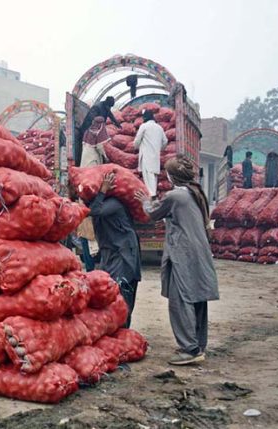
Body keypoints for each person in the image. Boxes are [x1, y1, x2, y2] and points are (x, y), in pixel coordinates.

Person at [135, 155, 219, 366]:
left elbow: (153, 213)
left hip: (183, 253)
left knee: (180, 300)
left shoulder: (175, 196)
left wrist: (145, 201)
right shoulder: (195, 192)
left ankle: (189, 349)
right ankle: (198, 344)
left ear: (172, 176)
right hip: (199, 252)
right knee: (197, 297)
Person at [87, 171, 142, 328]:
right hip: (111, 253)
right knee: (109, 293)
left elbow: (94, 211)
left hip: (124, 255)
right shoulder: (103, 202)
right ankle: (117, 328)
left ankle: (123, 331)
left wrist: (102, 191)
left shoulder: (114, 204)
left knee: (123, 294)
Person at [79, 96, 121, 167]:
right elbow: (90, 119)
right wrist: (106, 157)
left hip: (91, 134)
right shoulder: (97, 107)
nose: (109, 108)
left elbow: (111, 116)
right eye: (109, 106)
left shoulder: (106, 107)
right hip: (87, 128)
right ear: (106, 103)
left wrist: (118, 125)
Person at [134, 109, 168, 196]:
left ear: (145, 117)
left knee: (149, 182)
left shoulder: (144, 126)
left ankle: (152, 197)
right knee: (153, 179)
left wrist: (136, 147)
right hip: (156, 157)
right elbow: (165, 141)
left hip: (146, 157)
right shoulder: (159, 128)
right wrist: (159, 148)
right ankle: (153, 196)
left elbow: (137, 141)